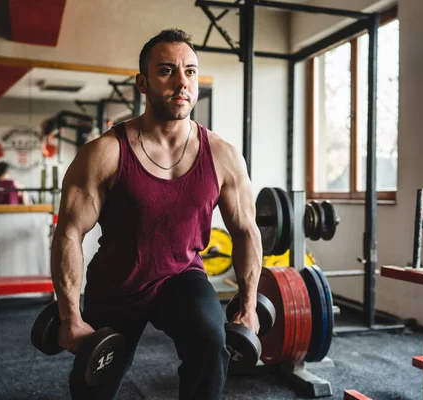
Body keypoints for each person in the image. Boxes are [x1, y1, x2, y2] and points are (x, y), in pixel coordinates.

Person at [51, 28, 263, 400]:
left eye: (191, 72)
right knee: (92, 387)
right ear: (143, 83)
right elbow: (69, 233)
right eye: (167, 70)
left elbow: (246, 230)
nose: (182, 82)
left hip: (182, 276)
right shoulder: (104, 153)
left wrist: (248, 306)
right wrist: (70, 317)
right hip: (118, 280)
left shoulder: (224, 155)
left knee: (210, 347)